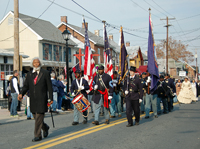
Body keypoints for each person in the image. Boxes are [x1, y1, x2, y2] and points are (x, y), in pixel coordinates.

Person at [18, 57, 53, 142]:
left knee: (38, 117)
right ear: (32, 64)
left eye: (37, 62)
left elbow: (49, 87)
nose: (36, 64)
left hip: (42, 99)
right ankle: (45, 127)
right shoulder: (29, 74)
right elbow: (26, 86)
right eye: (34, 63)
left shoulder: (45, 73)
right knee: (35, 116)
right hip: (33, 99)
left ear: (40, 63)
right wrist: (21, 93)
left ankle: (37, 135)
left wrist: (51, 98)